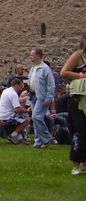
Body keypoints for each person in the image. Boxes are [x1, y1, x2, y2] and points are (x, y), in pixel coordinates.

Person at [60, 33, 86, 175]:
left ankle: (84, 165)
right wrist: (82, 76)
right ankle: (76, 164)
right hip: (77, 99)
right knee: (80, 130)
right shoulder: (78, 56)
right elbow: (64, 72)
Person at [28, 48, 56, 148]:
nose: (30, 56)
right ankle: (38, 141)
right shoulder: (33, 68)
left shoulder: (45, 68)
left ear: (38, 56)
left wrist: (48, 98)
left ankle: (47, 138)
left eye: (32, 55)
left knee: (36, 117)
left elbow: (51, 85)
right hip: (33, 95)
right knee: (35, 120)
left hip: (41, 97)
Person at [0, 78, 31, 144]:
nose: (20, 89)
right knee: (27, 120)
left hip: (1, 114)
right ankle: (13, 135)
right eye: (20, 86)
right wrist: (26, 111)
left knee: (20, 118)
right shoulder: (13, 94)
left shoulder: (6, 90)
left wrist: (26, 98)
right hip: (7, 116)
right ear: (16, 85)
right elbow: (17, 109)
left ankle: (19, 138)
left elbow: (17, 101)